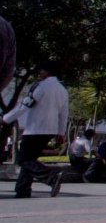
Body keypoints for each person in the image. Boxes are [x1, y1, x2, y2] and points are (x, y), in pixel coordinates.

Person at [2, 63, 70, 198]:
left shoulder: (41, 86)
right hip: (51, 129)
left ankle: (51, 177)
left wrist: (6, 119)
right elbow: (64, 113)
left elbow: (25, 105)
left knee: (23, 159)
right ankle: (23, 189)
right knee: (30, 158)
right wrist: (61, 133)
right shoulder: (63, 90)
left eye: (42, 70)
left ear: (48, 72)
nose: (40, 73)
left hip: (35, 128)